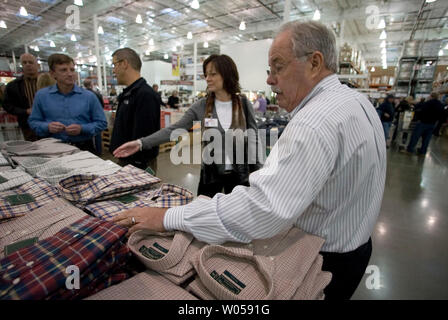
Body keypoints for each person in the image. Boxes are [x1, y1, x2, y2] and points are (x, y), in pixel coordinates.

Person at [112, 21, 386, 300]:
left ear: (315, 63)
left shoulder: (310, 121)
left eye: (278, 67)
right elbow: (176, 129)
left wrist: (169, 217)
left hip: (319, 259)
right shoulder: (355, 102)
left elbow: (261, 210)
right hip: (351, 245)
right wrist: (142, 142)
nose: (270, 79)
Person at [114, 54, 261, 197]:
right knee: (204, 216)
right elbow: (174, 130)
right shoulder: (201, 106)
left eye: (213, 74)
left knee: (236, 216)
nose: (207, 79)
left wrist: (258, 171)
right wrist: (141, 143)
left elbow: (253, 138)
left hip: (240, 175)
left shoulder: (243, 104)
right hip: (210, 176)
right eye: (206, 74)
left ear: (227, 75)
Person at [28, 54, 107, 153]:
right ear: (52, 74)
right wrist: (47, 127)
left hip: (83, 147)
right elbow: (33, 122)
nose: (70, 74)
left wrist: (82, 128)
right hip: (52, 148)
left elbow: (102, 123)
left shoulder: (89, 97)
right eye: (63, 70)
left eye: (72, 70)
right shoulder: (42, 96)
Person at [109, 48, 161, 171]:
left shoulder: (145, 95)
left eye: (115, 65)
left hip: (136, 165)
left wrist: (137, 165)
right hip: (126, 161)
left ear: (124, 64)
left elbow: (146, 137)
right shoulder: (130, 93)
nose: (113, 70)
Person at [3, 53, 40, 141]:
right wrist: (25, 111)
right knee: (33, 148)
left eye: (30, 62)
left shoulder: (48, 82)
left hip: (49, 124)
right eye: (24, 63)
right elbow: (7, 105)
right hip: (27, 124)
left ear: (37, 65)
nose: (28, 65)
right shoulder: (13, 86)